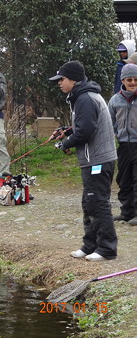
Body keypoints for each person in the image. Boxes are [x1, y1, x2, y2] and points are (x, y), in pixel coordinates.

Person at [49, 60, 117, 262]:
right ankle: (90, 246)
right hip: (93, 159)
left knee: (98, 203)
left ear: (73, 79)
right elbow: (84, 125)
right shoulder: (82, 96)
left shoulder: (85, 98)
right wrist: (67, 132)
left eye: (62, 79)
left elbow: (86, 132)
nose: (59, 83)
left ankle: (107, 249)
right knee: (89, 202)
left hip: (98, 159)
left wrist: (65, 144)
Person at [108, 63, 137, 226]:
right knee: (123, 179)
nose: (132, 83)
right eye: (129, 80)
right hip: (124, 145)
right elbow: (109, 122)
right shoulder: (114, 100)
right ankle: (127, 212)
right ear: (123, 81)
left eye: (135, 80)